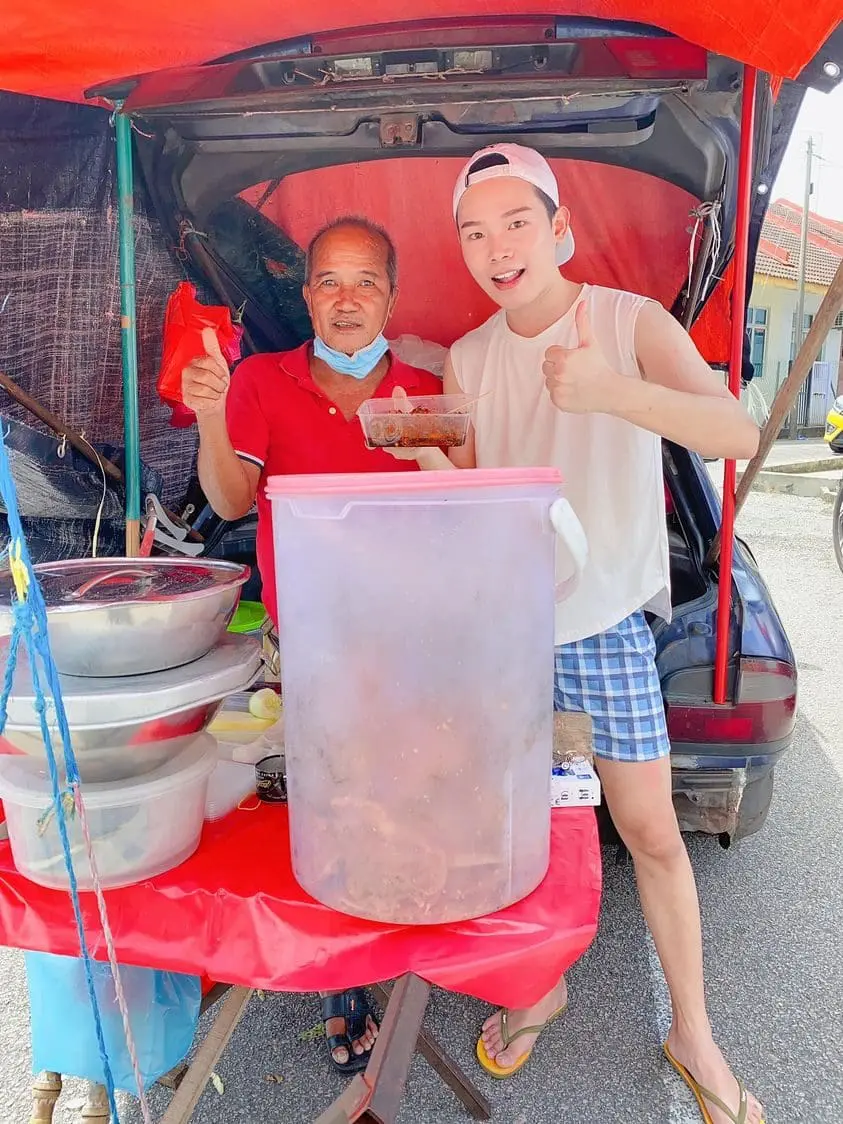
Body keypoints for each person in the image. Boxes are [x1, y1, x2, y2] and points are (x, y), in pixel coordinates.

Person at [391, 144, 764, 1124]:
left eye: (517, 221)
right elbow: (475, 500)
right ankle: (534, 989)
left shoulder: (628, 322)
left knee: (649, 830)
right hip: (506, 631)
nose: (495, 246)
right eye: (474, 230)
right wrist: (429, 456)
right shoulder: (470, 355)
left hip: (603, 625)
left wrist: (613, 392)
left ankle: (694, 1030)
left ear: (560, 230)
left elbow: (735, 432)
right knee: (507, 834)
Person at [181, 215, 443, 1075]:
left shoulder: (422, 391)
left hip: (405, 640)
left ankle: (401, 943)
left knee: (402, 797)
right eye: (329, 280)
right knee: (330, 801)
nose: (346, 299)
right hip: (311, 640)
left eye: (366, 281)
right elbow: (226, 502)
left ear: (391, 298)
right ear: (305, 295)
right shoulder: (259, 380)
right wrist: (212, 415)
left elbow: (459, 510)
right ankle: (343, 979)